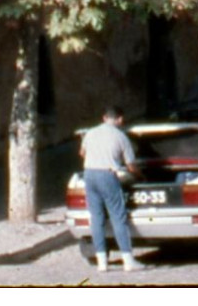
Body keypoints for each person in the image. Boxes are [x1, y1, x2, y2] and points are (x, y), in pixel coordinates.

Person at [79, 105, 146, 272]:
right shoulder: (121, 136)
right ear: (120, 119)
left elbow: (82, 153)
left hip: (89, 174)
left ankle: (102, 262)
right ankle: (128, 261)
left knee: (97, 218)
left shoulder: (90, 132)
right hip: (107, 176)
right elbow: (131, 165)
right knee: (118, 217)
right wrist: (141, 176)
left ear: (104, 118)